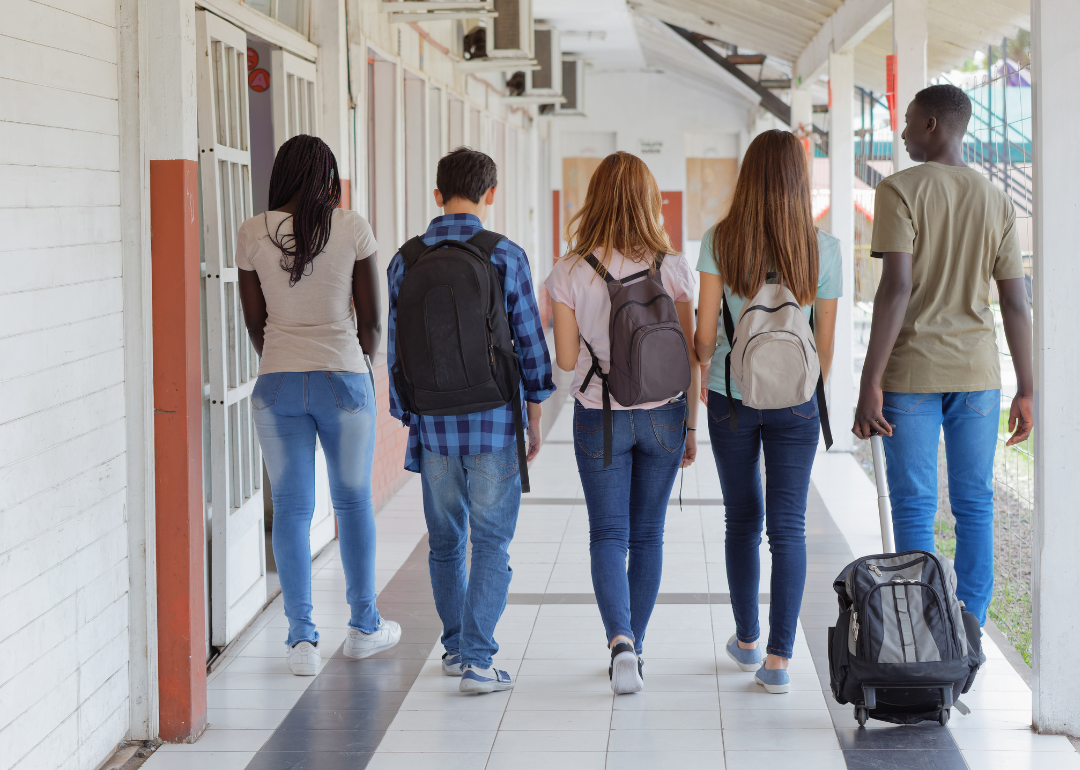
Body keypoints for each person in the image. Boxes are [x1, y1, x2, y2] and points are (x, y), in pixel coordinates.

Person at [852, 84, 1033, 626]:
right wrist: (1026, 387)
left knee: (914, 504)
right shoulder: (996, 199)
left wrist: (869, 380)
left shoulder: (900, 190)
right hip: (979, 374)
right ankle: (971, 624)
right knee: (975, 502)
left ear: (932, 124)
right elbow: (1016, 304)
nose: (902, 133)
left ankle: (918, 623)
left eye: (908, 122)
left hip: (911, 372)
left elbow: (895, 288)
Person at [387, 147, 555, 694]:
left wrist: (408, 413)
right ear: (491, 194)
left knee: (444, 543)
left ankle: (457, 649)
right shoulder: (505, 255)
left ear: (437, 196)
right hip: (492, 420)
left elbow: (395, 351)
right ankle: (480, 661)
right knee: (491, 542)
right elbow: (529, 341)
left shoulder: (405, 259)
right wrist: (536, 410)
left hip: (433, 424)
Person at [237, 134, 401, 676]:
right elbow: (374, 320)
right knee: (353, 502)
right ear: (327, 177)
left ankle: (301, 640)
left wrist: (285, 358)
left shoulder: (252, 232)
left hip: (277, 380)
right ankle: (363, 627)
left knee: (291, 508)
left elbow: (254, 322)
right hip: (344, 377)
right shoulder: (351, 227)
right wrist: (358, 365)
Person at [546, 151, 699, 695]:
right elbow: (690, 356)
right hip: (664, 414)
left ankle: (620, 643)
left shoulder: (568, 271)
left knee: (608, 534)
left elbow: (566, 361)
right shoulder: (674, 267)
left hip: (599, 418)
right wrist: (691, 426)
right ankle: (637, 643)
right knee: (649, 535)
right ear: (648, 200)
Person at [695, 130, 841, 694]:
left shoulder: (719, 241)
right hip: (798, 402)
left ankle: (748, 639)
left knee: (742, 518)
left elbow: (705, 338)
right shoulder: (821, 248)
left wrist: (708, 370)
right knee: (789, 526)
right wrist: (802, 387)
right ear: (799, 180)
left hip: (732, 396)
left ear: (747, 176)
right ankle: (779, 661)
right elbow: (824, 344)